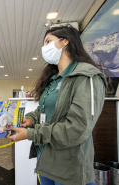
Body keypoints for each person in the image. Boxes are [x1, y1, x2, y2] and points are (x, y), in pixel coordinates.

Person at [6, 25, 107, 185]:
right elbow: (44, 110)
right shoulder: (53, 78)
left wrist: (30, 134)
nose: (44, 48)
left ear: (65, 41)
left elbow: (77, 129)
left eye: (48, 41)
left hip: (69, 167)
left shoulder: (87, 76)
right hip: (45, 159)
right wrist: (31, 119)